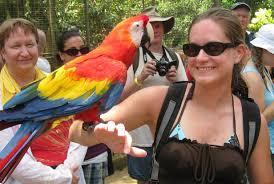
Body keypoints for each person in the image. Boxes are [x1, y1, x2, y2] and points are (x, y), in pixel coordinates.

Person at [69, 8, 274, 183]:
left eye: (213, 48)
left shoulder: (252, 120)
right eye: (192, 49)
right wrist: (97, 132)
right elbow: (74, 131)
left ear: (239, 52)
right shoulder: (158, 100)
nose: (201, 58)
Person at [0, 18, 86, 184]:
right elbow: (10, 156)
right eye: (16, 46)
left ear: (38, 48)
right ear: (3, 52)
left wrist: (69, 168)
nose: (25, 52)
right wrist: (62, 178)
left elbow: (80, 126)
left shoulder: (59, 82)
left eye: (30, 45)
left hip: (71, 172)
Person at [121, 6, 187, 184]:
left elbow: (187, 95)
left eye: (159, 25)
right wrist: (140, 77)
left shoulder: (174, 57)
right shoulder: (132, 56)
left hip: (169, 133)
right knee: (143, 180)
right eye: (151, 25)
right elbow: (120, 97)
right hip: (140, 136)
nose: (155, 30)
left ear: (164, 28)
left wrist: (174, 81)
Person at [56, 28, 113, 184]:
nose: (80, 55)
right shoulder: (54, 83)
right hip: (64, 162)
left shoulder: (97, 77)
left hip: (94, 155)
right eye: (73, 51)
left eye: (84, 50)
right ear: (61, 55)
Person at [242, 24, 274, 169]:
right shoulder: (252, 76)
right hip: (267, 149)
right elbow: (257, 123)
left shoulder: (263, 69)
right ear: (264, 50)